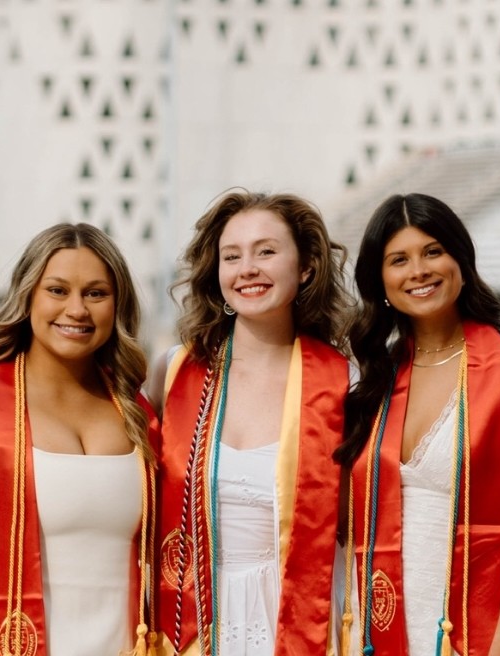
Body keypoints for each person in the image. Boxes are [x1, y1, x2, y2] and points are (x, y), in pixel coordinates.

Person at [0, 223, 160, 656]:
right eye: (58, 290)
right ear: (28, 297)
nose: (77, 309)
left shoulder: (137, 409)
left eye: (96, 293)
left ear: (117, 305)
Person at [335, 194, 500, 656]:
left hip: (474, 635)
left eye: (433, 251)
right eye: (399, 259)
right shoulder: (375, 376)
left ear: (461, 258)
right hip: (374, 632)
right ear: (380, 280)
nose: (418, 270)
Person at [147, 190, 353, 655]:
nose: (248, 269)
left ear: (305, 268)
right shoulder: (174, 373)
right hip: (193, 618)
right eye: (232, 256)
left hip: (293, 616)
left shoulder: (344, 382)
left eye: (266, 251)